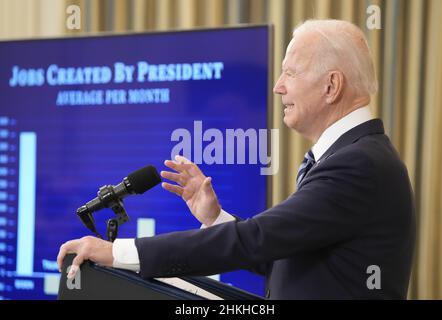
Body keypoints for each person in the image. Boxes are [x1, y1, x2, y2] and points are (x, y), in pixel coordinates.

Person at [57, 19, 415, 299]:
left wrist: (116, 252)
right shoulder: (352, 156)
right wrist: (215, 218)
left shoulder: (359, 165)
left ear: (331, 86)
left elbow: (256, 238)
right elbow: (282, 255)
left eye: (291, 72)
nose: (278, 86)